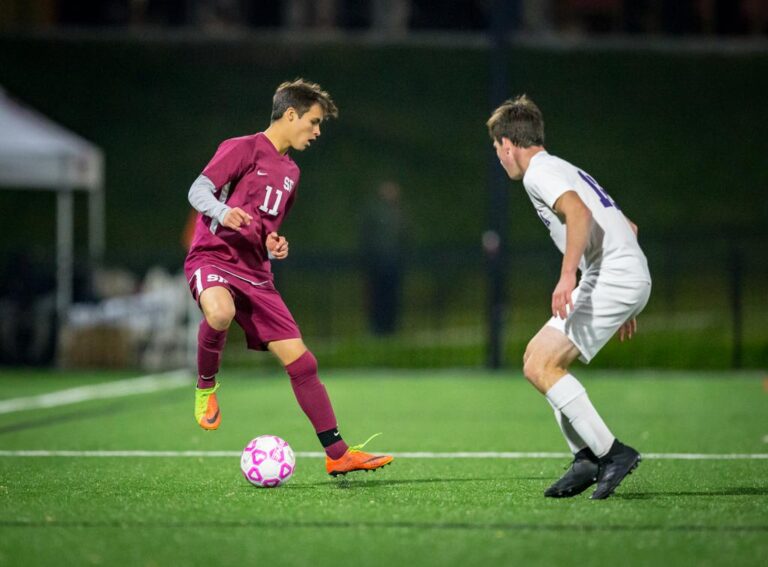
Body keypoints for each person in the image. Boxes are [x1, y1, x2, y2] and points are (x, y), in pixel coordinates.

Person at [184, 78, 393, 477]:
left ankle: (337, 453)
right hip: (213, 257)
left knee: (303, 362)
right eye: (313, 122)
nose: (317, 132)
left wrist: (273, 244)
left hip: (256, 273)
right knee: (220, 312)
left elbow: (266, 230)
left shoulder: (291, 172)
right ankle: (206, 386)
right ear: (291, 114)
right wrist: (221, 212)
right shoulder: (241, 147)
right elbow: (198, 190)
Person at [486, 95, 652, 499]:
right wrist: (623, 302)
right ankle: (585, 458)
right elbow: (627, 227)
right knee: (537, 359)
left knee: (541, 365)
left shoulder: (538, 172)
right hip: (616, 276)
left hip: (613, 277)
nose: (498, 158)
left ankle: (612, 453)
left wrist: (566, 278)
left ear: (508, 144)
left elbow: (579, 213)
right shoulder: (561, 166)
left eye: (496, 149)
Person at [360, 180, 407, 335]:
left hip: (392, 262)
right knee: (378, 297)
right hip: (379, 263)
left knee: (390, 297)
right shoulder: (377, 213)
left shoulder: (398, 213)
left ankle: (389, 328)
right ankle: (379, 328)